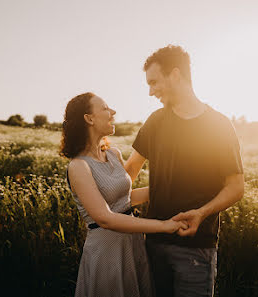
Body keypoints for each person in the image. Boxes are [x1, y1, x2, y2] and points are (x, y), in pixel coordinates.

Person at [125, 45, 245, 297]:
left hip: (196, 249)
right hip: (154, 243)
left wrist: (201, 213)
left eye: (154, 82)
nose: (150, 91)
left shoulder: (219, 125)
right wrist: (105, 210)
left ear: (176, 75)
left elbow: (235, 187)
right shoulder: (155, 121)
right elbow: (131, 170)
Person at [61, 92, 187, 297]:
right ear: (89, 118)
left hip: (133, 243)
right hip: (107, 251)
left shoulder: (113, 154)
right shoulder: (78, 167)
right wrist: (163, 226)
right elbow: (106, 218)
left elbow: (126, 200)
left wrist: (172, 188)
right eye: (105, 108)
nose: (113, 112)